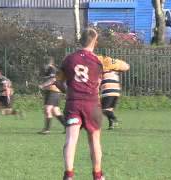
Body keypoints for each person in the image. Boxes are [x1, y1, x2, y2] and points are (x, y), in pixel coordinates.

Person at [56, 28, 126, 180]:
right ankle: (98, 175)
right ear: (95, 41)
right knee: (94, 140)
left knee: (71, 139)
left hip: (73, 103)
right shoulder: (100, 59)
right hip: (92, 105)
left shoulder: (68, 59)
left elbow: (57, 81)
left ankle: (68, 175)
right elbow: (125, 66)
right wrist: (110, 67)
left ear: (80, 40)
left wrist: (67, 91)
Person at [99, 56, 129, 130]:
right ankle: (111, 125)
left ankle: (114, 118)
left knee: (103, 110)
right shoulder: (115, 71)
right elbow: (126, 66)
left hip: (108, 91)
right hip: (116, 92)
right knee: (109, 109)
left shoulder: (103, 71)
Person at [38, 57, 65, 134]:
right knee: (55, 111)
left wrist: (43, 85)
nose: (44, 65)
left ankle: (47, 129)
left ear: (50, 63)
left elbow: (53, 80)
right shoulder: (47, 70)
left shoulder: (51, 69)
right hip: (51, 91)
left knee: (47, 109)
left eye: (45, 63)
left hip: (54, 91)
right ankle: (67, 126)